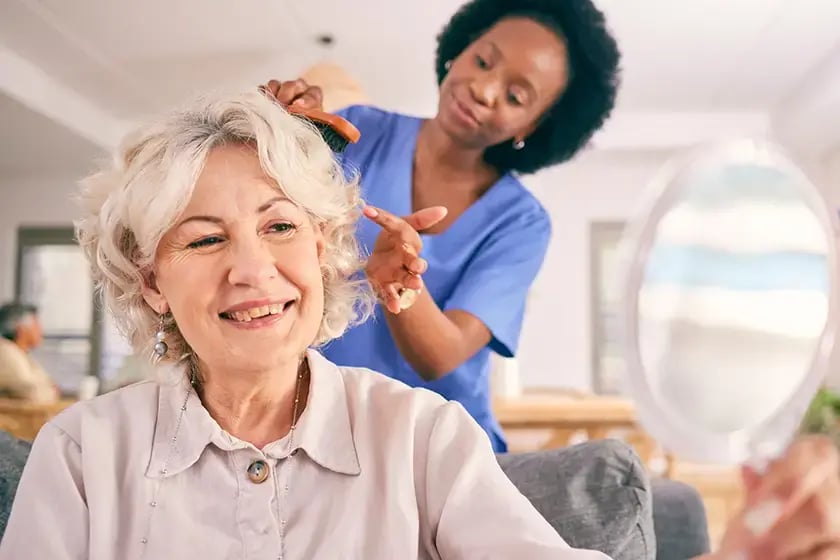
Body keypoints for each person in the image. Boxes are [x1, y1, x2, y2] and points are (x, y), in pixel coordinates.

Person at [1, 91, 839, 560]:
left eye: (281, 226)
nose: (251, 268)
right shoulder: (81, 454)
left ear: (328, 250)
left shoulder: (420, 436)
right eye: (206, 237)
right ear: (151, 280)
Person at [262, 0, 621, 452]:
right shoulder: (359, 131)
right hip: (319, 426)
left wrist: (400, 285)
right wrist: (285, 130)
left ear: (535, 125)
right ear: (462, 48)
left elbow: (441, 358)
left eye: (515, 97)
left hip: (439, 449)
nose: (484, 89)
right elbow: (267, 230)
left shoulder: (521, 222)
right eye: (483, 61)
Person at [0, 302, 58, 403]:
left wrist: (49, 389)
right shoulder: (5, 353)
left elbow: (51, 385)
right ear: (21, 329)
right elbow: (33, 394)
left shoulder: (21, 353)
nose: (41, 330)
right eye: (36, 325)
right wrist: (50, 391)